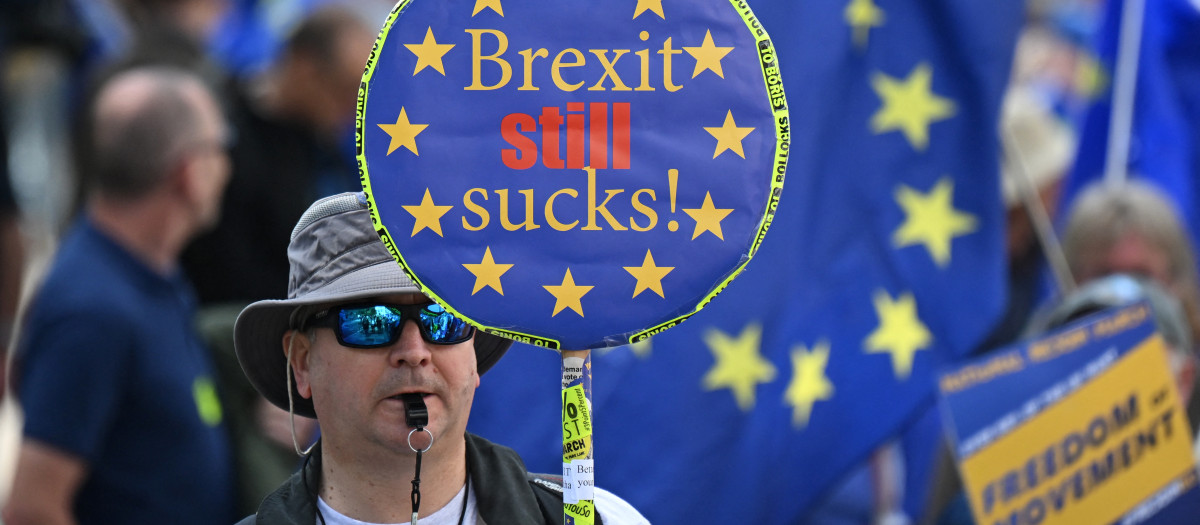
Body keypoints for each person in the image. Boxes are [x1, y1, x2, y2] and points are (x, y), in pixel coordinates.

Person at [233, 192, 648, 524]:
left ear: (471, 352)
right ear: (303, 362)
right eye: (371, 321)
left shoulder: (597, 519)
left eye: (443, 319)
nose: (414, 353)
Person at [2, 65, 236, 525]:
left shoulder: (147, 270)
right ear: (188, 173)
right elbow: (32, 509)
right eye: (220, 148)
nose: (227, 166)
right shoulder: (93, 310)